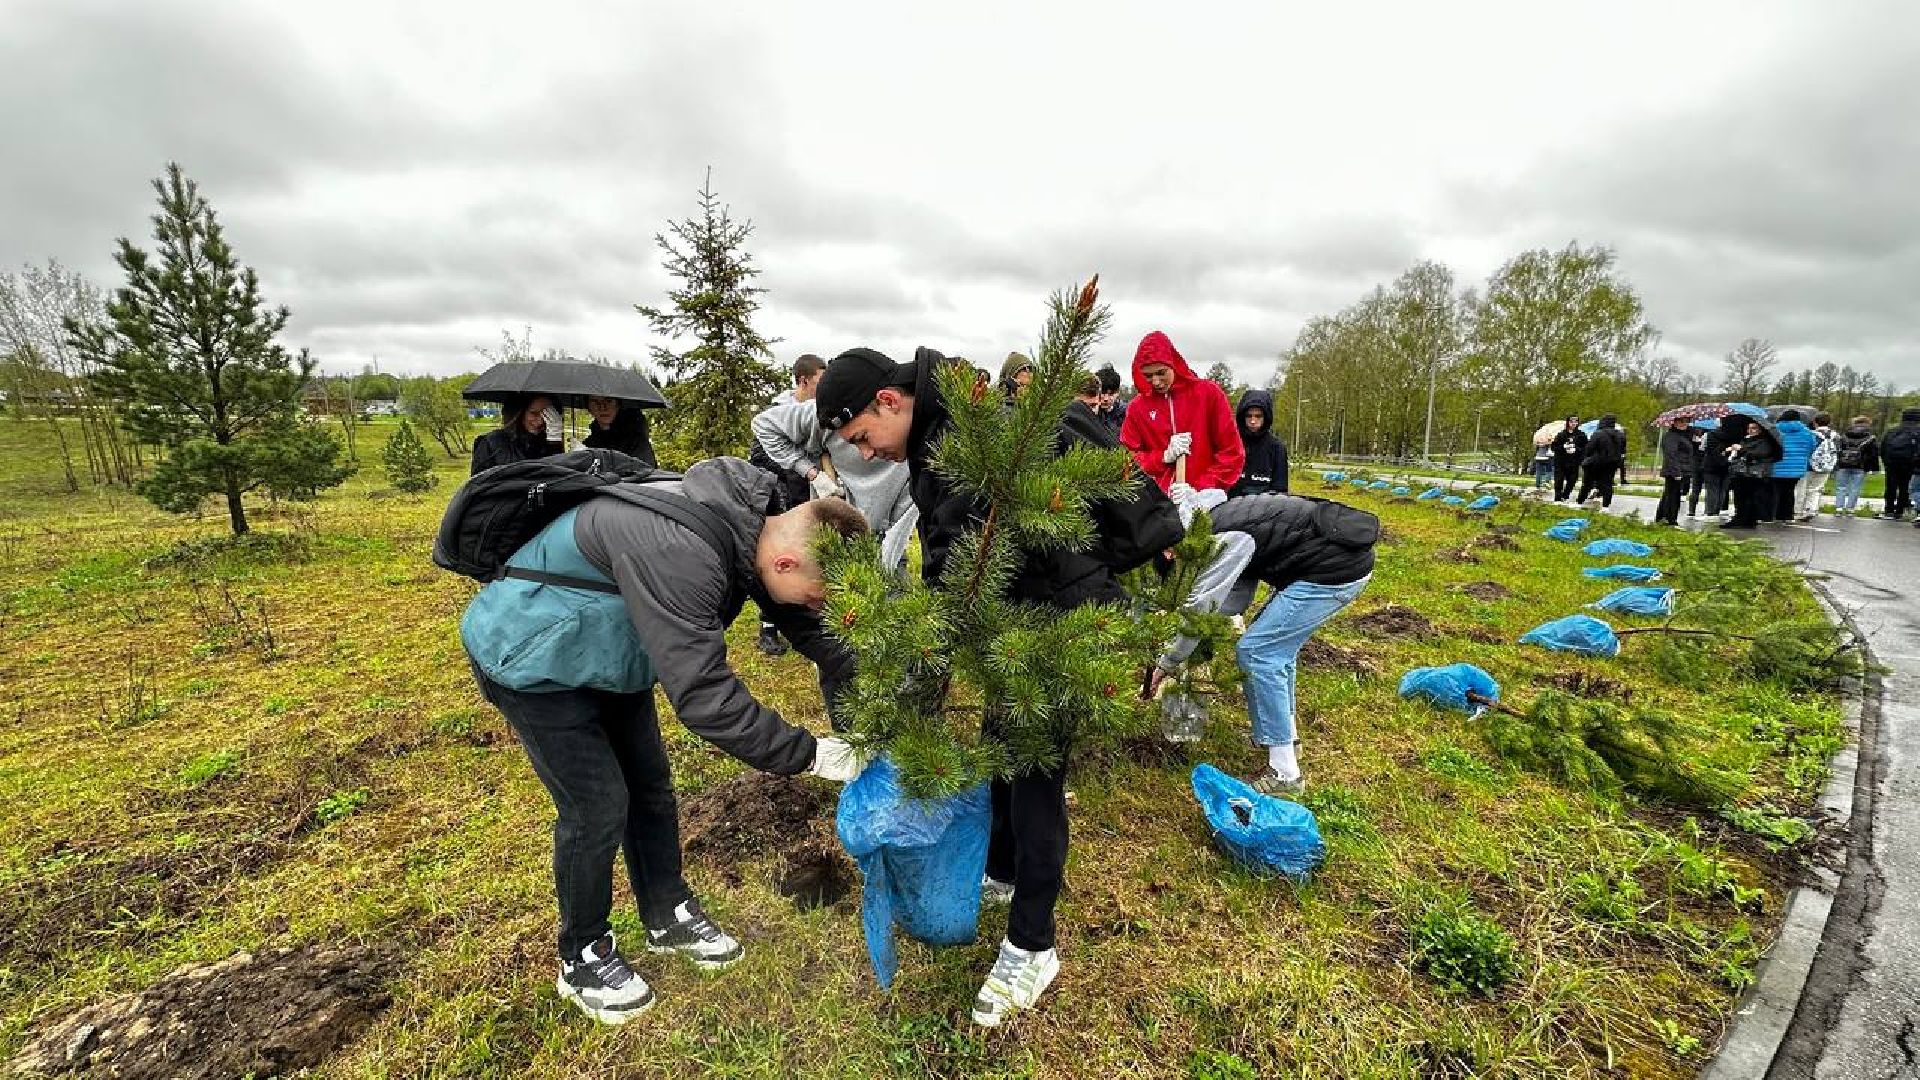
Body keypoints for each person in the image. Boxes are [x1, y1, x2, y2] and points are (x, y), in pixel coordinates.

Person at [814, 344, 1180, 1029]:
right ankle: (1003, 872)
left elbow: (962, 567)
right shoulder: (945, 435)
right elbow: (961, 563)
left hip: (1056, 626)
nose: (871, 454)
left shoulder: (964, 435)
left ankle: (1032, 945)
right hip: (1013, 626)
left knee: (1037, 778)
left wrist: (929, 640)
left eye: (864, 437)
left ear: (887, 402)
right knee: (1001, 751)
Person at [458, 457, 870, 1024]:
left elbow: (801, 620)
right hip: (534, 657)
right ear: (786, 560)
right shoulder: (681, 551)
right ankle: (582, 953)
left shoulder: (751, 523)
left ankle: (665, 911)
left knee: (650, 788)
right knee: (597, 805)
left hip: (609, 655)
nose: (814, 606)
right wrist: (814, 754)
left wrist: (879, 683)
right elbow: (705, 700)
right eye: (819, 594)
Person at [1150, 492, 1375, 794]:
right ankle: (1285, 739)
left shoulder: (1223, 537)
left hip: (1333, 571)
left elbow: (1203, 607)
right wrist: (1194, 635)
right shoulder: (1223, 515)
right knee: (1275, 651)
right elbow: (1234, 597)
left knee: (1259, 653)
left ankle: (1285, 774)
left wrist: (1167, 661)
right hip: (1336, 560)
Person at [751, 396, 916, 563]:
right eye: (858, 439)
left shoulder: (926, 442)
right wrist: (813, 474)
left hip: (885, 535)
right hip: (832, 532)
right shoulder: (834, 410)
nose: (867, 455)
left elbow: (900, 530)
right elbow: (764, 426)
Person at [1118, 331, 1243, 517]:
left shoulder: (1209, 395)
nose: (1156, 382)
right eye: (1148, 376)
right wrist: (1162, 457)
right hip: (1157, 511)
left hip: (1207, 508)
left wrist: (1201, 489)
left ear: (1173, 364)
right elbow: (1126, 460)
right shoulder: (1137, 408)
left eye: (1161, 373)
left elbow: (1232, 454)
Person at [471, 394, 563, 475]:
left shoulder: (548, 443)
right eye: (534, 413)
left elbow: (558, 478)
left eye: (547, 415)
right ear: (519, 412)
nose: (540, 420)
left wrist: (555, 443)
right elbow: (477, 486)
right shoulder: (493, 443)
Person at [1722, 419, 1782, 529]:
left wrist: (1742, 449)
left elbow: (1760, 454)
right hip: (1741, 473)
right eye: (1749, 428)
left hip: (1754, 474)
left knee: (1750, 498)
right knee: (1740, 497)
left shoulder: (1764, 441)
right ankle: (1742, 518)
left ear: (1760, 430)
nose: (1751, 430)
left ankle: (1746, 519)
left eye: (1754, 428)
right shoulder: (1746, 439)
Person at [1229, 389, 1289, 497]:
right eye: (1249, 416)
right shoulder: (1231, 444)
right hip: (1232, 507)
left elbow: (1280, 491)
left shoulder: (1277, 448)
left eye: (1258, 416)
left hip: (1263, 509)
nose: (1253, 421)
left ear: (1266, 417)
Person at [583, 395, 657, 467]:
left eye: (609, 401)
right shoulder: (588, 445)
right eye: (595, 402)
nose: (602, 407)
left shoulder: (636, 441)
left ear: (618, 404)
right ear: (589, 408)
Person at [1771, 409, 1816, 523]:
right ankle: (1787, 515)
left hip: (1777, 465)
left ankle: (1773, 514)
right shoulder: (1807, 432)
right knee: (1789, 490)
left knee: (1776, 491)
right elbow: (1811, 448)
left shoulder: (1774, 430)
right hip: (1797, 467)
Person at [1830, 415, 1880, 515]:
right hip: (1860, 465)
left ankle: (1839, 508)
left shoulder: (1844, 435)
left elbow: (1838, 450)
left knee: (1841, 487)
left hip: (1843, 464)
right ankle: (1850, 509)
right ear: (1867, 424)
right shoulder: (1870, 437)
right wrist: (1874, 468)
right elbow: (1873, 454)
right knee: (1855, 488)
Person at [1653, 416, 1698, 526]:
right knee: (1672, 496)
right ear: (1675, 423)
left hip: (1683, 469)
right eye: (1681, 422)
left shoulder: (1683, 436)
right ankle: (1670, 520)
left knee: (1671, 495)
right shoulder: (1671, 436)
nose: (1684, 424)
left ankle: (1663, 518)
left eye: (1686, 422)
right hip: (1674, 470)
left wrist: (1695, 442)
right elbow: (1671, 455)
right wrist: (1676, 472)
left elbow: (1688, 451)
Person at [1576, 415, 1626, 508]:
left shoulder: (1598, 433)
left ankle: (1580, 501)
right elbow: (1623, 450)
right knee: (1608, 484)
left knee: (1587, 483)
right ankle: (1605, 506)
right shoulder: (1620, 435)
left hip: (1596, 463)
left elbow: (1589, 449)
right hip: (1612, 463)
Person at [1879, 406, 1920, 520]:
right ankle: (1900, 510)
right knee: (1905, 487)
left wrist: (1886, 461)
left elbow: (1882, 447)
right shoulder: (1918, 431)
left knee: (1891, 486)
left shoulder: (1892, 431)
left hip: (1892, 463)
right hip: (1911, 463)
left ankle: (1889, 510)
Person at [1795, 412, 1837, 521]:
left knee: (1802, 488)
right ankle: (1811, 509)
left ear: (1815, 422)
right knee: (1816, 489)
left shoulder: (1811, 434)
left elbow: (1806, 449)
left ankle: (1798, 511)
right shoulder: (1835, 436)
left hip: (1809, 465)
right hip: (1827, 465)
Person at [1701, 415, 1739, 518]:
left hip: (1711, 465)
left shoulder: (1711, 434)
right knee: (1722, 490)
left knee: (1712, 490)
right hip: (1727, 466)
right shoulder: (1735, 436)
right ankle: (1716, 512)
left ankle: (1710, 513)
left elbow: (1710, 450)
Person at [1549, 417, 1587, 502]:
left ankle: (1565, 495)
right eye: (1571, 422)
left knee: (1572, 480)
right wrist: (1563, 447)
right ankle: (1557, 498)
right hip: (1561, 461)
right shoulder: (1561, 434)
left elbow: (1585, 448)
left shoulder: (1581, 435)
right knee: (1559, 480)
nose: (1573, 424)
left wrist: (1576, 449)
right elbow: (1553, 447)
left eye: (1576, 422)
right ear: (1568, 423)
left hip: (1574, 462)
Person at [1093, 365, 1128, 436]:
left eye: (1111, 394)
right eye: (1102, 393)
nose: (1106, 399)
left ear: (1117, 393)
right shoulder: (1089, 412)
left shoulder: (1127, 413)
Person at [1685, 426, 1709, 517]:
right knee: (1701, 488)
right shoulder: (1709, 436)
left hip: (1697, 465)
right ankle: (1699, 510)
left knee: (1696, 488)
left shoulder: (1692, 437)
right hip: (1703, 464)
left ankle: (1692, 510)